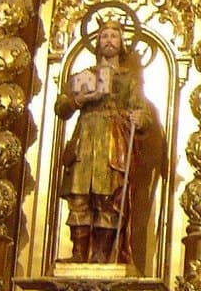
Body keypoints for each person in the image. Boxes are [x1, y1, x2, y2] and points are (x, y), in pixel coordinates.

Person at [55, 20, 152, 264]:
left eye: (114, 36)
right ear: (97, 42)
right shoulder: (83, 76)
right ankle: (78, 253)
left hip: (112, 141)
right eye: (104, 36)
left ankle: (100, 254)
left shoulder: (129, 80)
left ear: (122, 44)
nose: (108, 40)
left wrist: (141, 119)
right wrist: (79, 100)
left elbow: (142, 111)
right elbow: (61, 107)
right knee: (79, 197)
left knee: (107, 198)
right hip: (84, 142)